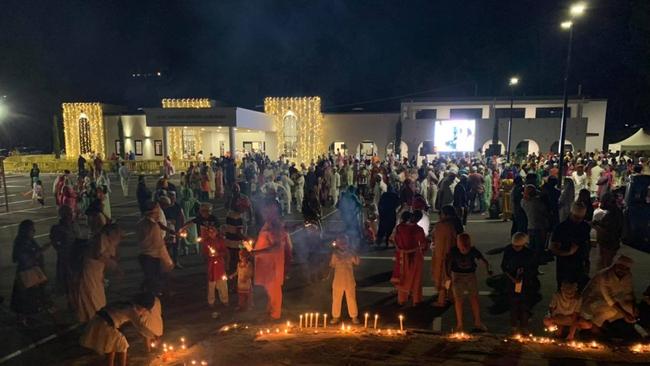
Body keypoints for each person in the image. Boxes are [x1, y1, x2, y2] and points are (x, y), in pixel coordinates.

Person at [79, 293, 158, 366]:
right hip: (104, 324)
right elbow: (140, 327)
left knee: (112, 344)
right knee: (123, 345)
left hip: (96, 321)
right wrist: (153, 336)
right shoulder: (132, 310)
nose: (143, 313)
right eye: (145, 311)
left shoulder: (124, 304)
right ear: (142, 307)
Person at [253, 198, 292, 320]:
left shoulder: (276, 226)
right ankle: (270, 309)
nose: (266, 213)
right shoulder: (268, 224)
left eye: (269, 210)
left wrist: (256, 252)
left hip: (272, 264)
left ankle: (275, 314)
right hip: (265, 264)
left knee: (273, 288)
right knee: (269, 287)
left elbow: (276, 247)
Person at [76, 224, 123, 323]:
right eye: (117, 233)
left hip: (97, 275)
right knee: (93, 299)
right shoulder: (99, 239)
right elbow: (97, 255)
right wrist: (114, 266)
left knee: (98, 299)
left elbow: (113, 256)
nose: (119, 236)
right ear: (110, 232)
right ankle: (96, 322)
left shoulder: (109, 241)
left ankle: (97, 321)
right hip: (90, 275)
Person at [11, 220, 52, 325]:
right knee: (24, 297)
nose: (34, 231)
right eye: (31, 229)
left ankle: (28, 315)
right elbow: (24, 258)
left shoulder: (29, 240)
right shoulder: (21, 242)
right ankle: (22, 318)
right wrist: (40, 251)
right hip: (26, 274)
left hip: (32, 272)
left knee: (31, 296)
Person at [447, 232, 491, 332]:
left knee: (474, 298)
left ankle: (477, 322)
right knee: (458, 300)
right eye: (462, 248)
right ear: (458, 244)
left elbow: (483, 260)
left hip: (470, 275)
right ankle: (460, 324)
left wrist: (488, 268)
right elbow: (448, 262)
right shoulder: (454, 251)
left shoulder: (473, 251)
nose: (464, 250)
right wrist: (447, 275)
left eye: (465, 248)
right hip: (457, 275)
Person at [580, 255, 636, 333]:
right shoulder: (604, 275)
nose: (622, 270)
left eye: (625, 268)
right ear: (615, 265)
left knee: (629, 308)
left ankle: (608, 324)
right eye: (620, 267)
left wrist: (634, 308)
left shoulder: (628, 276)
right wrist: (625, 314)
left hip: (610, 301)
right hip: (593, 300)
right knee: (612, 310)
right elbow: (609, 298)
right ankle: (595, 325)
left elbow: (629, 293)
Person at [501, 232, 537, 334]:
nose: (515, 248)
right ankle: (513, 325)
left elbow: (534, 269)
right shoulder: (508, 250)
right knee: (513, 303)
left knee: (524, 304)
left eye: (518, 246)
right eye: (514, 246)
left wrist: (524, 275)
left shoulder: (529, 254)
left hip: (525, 282)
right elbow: (504, 266)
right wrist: (512, 278)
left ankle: (524, 325)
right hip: (512, 281)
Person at [550, 202, 591, 289]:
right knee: (564, 289)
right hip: (565, 265)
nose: (579, 220)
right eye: (576, 217)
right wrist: (568, 252)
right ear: (571, 213)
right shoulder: (561, 228)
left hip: (580, 264)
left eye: (581, 218)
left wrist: (587, 261)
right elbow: (553, 248)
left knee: (579, 288)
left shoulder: (585, 226)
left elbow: (586, 244)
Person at [137, 202, 174, 295]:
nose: (159, 215)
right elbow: (159, 245)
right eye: (157, 213)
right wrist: (168, 261)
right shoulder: (153, 227)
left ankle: (146, 291)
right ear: (152, 213)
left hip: (143, 255)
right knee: (155, 278)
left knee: (149, 276)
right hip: (152, 256)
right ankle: (153, 297)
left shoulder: (140, 223)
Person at [391, 211, 427, 306]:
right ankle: (416, 300)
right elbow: (423, 244)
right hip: (415, 256)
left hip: (402, 256)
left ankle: (401, 299)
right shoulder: (418, 229)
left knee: (403, 278)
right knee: (416, 279)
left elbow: (394, 240)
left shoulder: (399, 228)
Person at [49, 205, 82, 302]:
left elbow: (79, 237)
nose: (71, 215)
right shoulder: (57, 228)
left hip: (75, 256)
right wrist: (61, 250)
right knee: (66, 279)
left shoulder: (73, 225)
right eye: (69, 214)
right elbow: (54, 242)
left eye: (70, 213)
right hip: (65, 257)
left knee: (75, 279)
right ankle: (69, 299)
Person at [431, 205, 462, 307]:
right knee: (451, 276)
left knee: (442, 277)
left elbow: (435, 239)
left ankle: (441, 300)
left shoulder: (441, 226)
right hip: (454, 253)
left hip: (442, 254)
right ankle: (451, 296)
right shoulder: (457, 223)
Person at [330, 234, 360, 324]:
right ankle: (335, 317)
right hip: (338, 280)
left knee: (351, 298)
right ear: (338, 244)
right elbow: (332, 264)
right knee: (336, 299)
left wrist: (355, 252)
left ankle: (354, 316)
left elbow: (357, 262)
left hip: (349, 280)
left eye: (345, 242)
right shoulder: (335, 254)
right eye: (341, 242)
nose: (343, 244)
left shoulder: (351, 252)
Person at [592, 192, 624, 269]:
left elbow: (607, 230)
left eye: (603, 201)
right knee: (604, 264)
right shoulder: (613, 212)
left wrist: (595, 225)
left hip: (609, 244)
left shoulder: (613, 214)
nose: (601, 203)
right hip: (609, 243)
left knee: (605, 266)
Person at [201, 226, 229, 311]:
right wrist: (208, 255)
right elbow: (204, 253)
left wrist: (218, 254)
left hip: (219, 265)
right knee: (211, 285)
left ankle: (225, 299)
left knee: (222, 284)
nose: (211, 233)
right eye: (210, 232)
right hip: (211, 266)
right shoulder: (206, 242)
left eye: (213, 231)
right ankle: (211, 301)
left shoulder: (220, 241)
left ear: (216, 232)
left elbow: (225, 251)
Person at [520, 185, 548, 267]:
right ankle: (536, 264)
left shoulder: (523, 202)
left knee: (531, 247)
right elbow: (545, 212)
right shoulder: (537, 202)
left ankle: (531, 264)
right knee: (539, 247)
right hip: (539, 227)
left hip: (530, 226)